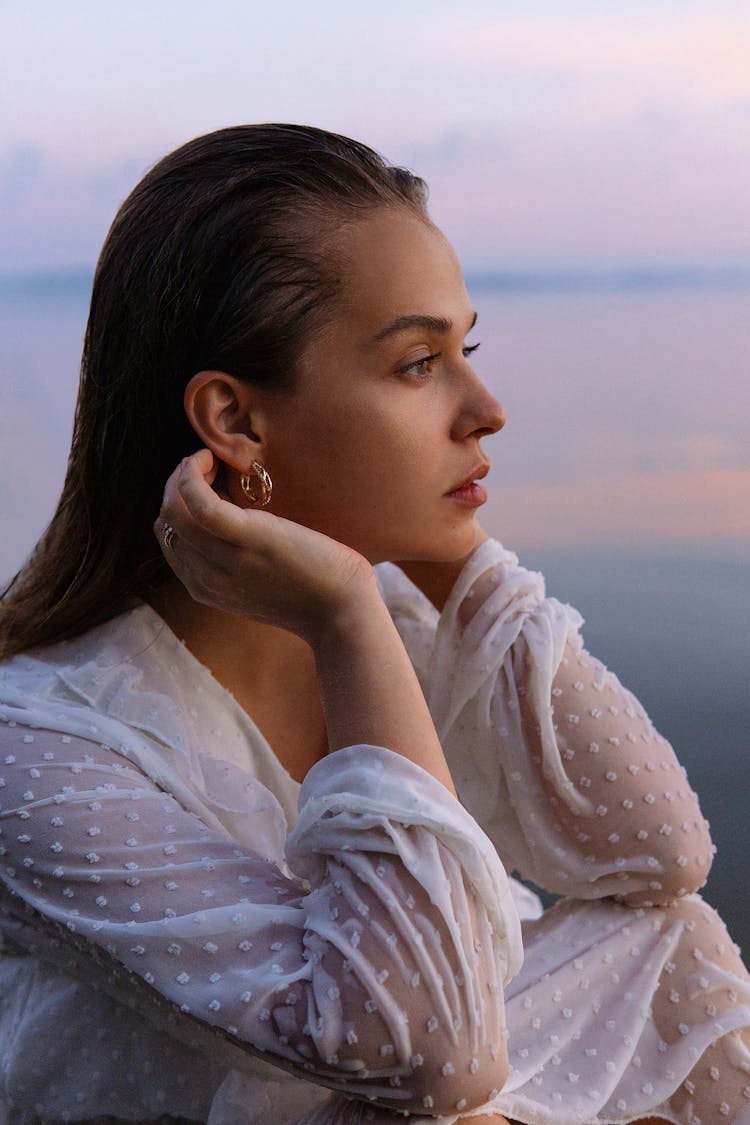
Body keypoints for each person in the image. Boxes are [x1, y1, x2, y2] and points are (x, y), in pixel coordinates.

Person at [0, 124, 748, 1125]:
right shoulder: (36, 743)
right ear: (234, 421)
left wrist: (444, 559)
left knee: (673, 946)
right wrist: (348, 618)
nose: (486, 408)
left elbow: (659, 858)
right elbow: (426, 1057)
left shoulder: (404, 617)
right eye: (416, 363)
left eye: (466, 349)